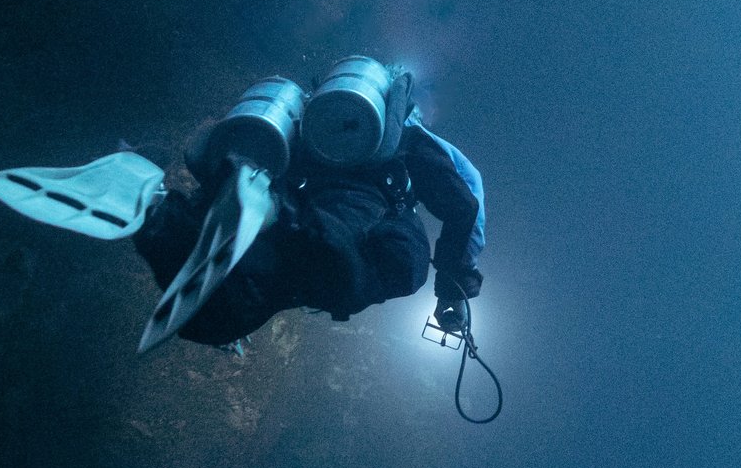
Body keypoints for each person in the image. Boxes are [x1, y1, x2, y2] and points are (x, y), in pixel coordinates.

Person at [133, 107, 483, 349]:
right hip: (348, 208)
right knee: (402, 265)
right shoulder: (410, 134)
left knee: (213, 319)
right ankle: (271, 211)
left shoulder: (311, 117)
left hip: (293, 191)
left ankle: (157, 214)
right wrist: (453, 290)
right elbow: (466, 203)